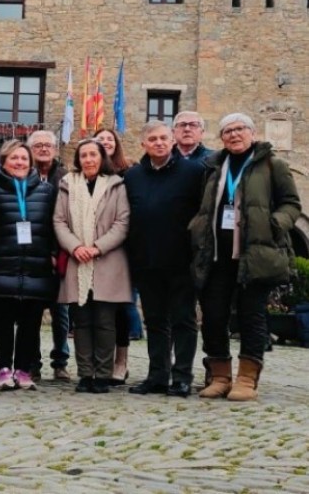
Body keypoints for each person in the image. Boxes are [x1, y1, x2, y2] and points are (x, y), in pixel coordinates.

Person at [189, 113, 301, 401]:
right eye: (228, 130)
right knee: (213, 315)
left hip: (255, 254)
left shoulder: (272, 164)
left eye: (240, 129)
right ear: (221, 137)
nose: (234, 134)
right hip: (216, 256)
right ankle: (220, 375)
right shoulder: (213, 166)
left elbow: (291, 204)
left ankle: (247, 378)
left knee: (252, 316)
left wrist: (275, 223)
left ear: (252, 133)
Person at [124, 121, 204, 397]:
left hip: (182, 260)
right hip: (146, 259)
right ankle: (158, 375)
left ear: (172, 142)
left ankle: (182, 376)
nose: (158, 143)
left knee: (183, 320)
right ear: (144, 144)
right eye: (153, 139)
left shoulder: (194, 172)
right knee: (155, 321)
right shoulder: (133, 176)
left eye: (163, 138)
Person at [0, 140, 58, 391]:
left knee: (31, 324)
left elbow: (55, 225)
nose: (20, 162)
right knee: (1, 322)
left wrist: (54, 252)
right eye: (14, 158)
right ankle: (3, 369)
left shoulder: (46, 191)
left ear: (30, 163)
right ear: (3, 162)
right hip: (2, 263)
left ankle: (23, 370)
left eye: (24, 158)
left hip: (36, 265)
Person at [54, 138, 131, 394]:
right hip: (78, 260)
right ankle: (86, 374)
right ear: (78, 159)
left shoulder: (116, 185)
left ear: (102, 158)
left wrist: (97, 247)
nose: (88, 159)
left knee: (105, 322)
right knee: (82, 322)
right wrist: (76, 247)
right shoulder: (67, 184)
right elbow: (59, 221)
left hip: (107, 259)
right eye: (83, 155)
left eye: (93, 155)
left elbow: (122, 222)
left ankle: (104, 374)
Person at [95, 127, 142, 385]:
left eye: (109, 139)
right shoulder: (88, 174)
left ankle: (120, 361)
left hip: (123, 248)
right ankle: (99, 361)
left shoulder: (129, 173)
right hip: (94, 249)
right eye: (100, 139)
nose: (105, 143)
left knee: (123, 306)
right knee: (100, 309)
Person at [26, 130, 71, 382]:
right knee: (30, 313)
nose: (43, 149)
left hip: (59, 253)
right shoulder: (23, 175)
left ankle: (60, 361)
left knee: (60, 313)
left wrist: (57, 251)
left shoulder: (66, 178)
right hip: (31, 253)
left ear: (55, 150)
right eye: (38, 145)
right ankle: (32, 363)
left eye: (48, 145)